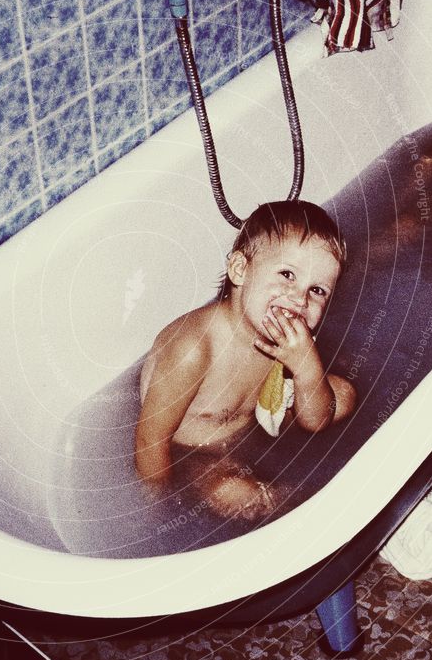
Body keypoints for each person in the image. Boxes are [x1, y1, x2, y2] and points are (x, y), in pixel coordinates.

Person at [135, 200, 357, 520]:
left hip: (258, 419)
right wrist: (158, 509)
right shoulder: (194, 349)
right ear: (240, 270)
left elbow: (316, 422)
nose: (299, 298)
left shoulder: (285, 333)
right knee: (243, 494)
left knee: (345, 395)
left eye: (318, 290)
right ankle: (316, 510)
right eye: (287, 274)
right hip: (197, 453)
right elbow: (149, 441)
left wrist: (307, 365)